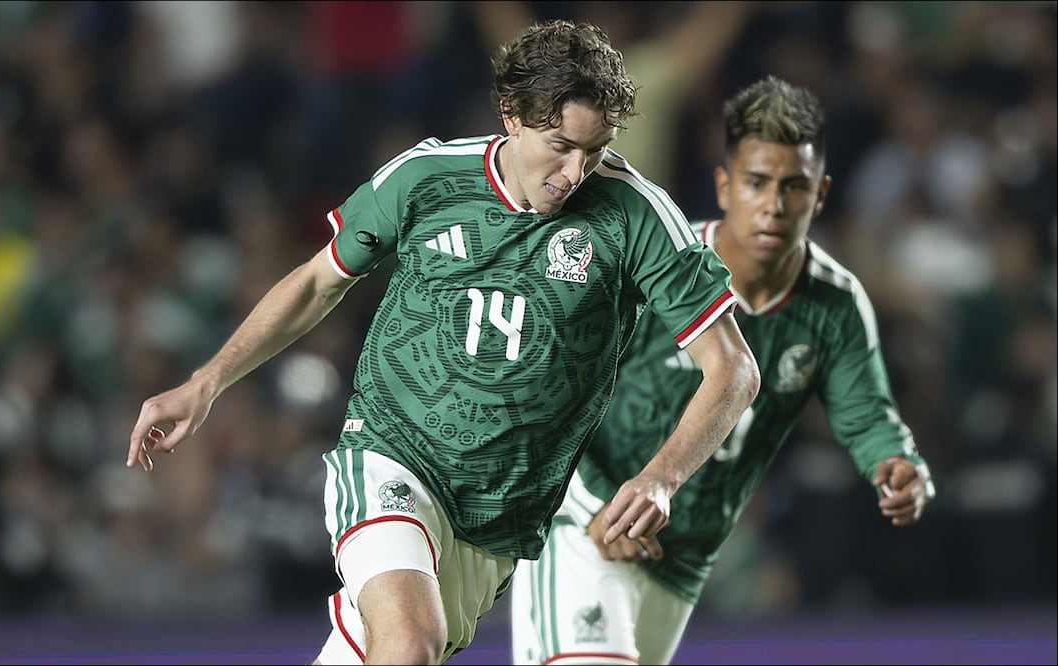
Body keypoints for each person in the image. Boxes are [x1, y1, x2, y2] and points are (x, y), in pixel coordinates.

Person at [126, 19, 760, 665]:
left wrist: (660, 479)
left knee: (392, 650)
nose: (573, 172)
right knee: (409, 642)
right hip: (391, 455)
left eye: (593, 151)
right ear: (510, 114)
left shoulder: (636, 215)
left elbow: (733, 370)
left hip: (498, 517)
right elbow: (319, 282)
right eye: (559, 145)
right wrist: (205, 382)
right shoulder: (426, 177)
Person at [509, 74, 937, 666]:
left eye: (795, 186)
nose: (774, 205)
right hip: (586, 520)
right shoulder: (661, 267)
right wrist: (598, 499)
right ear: (724, 185)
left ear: (820, 194)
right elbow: (560, 387)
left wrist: (897, 462)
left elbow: (867, 418)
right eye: (757, 183)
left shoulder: (835, 304)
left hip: (686, 552)